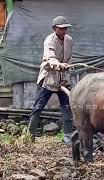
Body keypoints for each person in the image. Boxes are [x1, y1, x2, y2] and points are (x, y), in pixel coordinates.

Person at [27, 16, 74, 144]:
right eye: (62, 28)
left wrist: (65, 78)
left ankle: (68, 136)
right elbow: (50, 58)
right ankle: (29, 136)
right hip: (48, 78)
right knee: (38, 107)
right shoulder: (49, 40)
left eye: (66, 28)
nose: (65, 31)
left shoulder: (69, 40)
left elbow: (69, 60)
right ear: (54, 28)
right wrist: (59, 65)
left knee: (67, 108)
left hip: (62, 80)